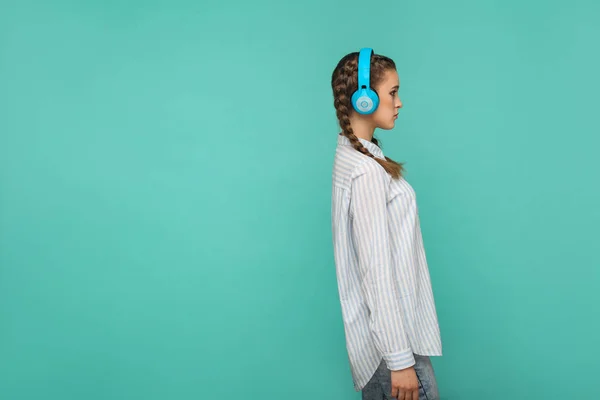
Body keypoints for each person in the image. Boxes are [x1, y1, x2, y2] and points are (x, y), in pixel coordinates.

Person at [330, 48, 443, 400]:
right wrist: (400, 362)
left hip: (388, 344)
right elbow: (376, 273)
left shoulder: (359, 157)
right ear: (364, 99)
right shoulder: (365, 172)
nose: (399, 102)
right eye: (393, 92)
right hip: (393, 348)